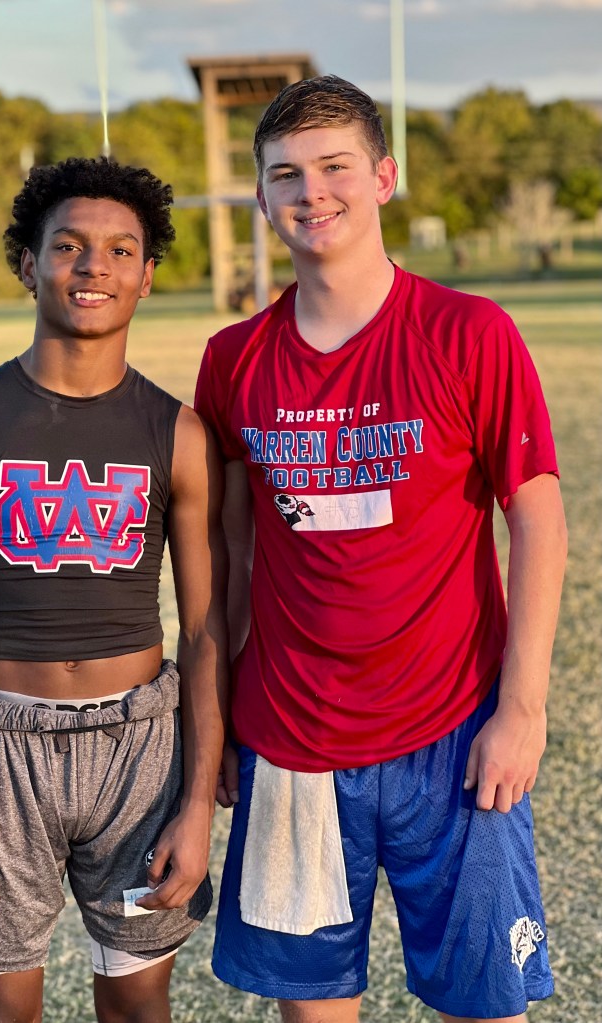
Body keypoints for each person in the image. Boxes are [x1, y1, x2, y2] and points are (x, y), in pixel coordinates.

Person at [194, 76, 567, 1023]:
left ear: (384, 177)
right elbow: (232, 548)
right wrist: (225, 713)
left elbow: (537, 518)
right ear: (262, 196)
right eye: (286, 174)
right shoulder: (234, 358)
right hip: (292, 738)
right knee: (315, 1008)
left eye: (335, 167)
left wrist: (522, 708)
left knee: (487, 1005)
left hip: (457, 729)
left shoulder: (469, 332)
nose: (312, 191)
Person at [0, 156, 227, 1023]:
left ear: (147, 277)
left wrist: (197, 803)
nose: (94, 266)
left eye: (121, 250)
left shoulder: (179, 433)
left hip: (138, 751)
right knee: (4, 1013)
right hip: (0, 747)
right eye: (69, 245)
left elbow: (204, 630)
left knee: (138, 1006)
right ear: (28, 263)